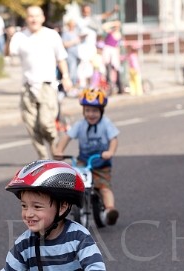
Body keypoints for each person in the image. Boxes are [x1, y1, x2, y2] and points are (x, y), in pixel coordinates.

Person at [9, 6, 72, 159]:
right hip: (28, 86)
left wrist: (66, 76)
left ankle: (55, 148)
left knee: (46, 123)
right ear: (26, 18)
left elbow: (61, 58)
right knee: (31, 126)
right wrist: (9, 37)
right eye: (30, 16)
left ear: (42, 18)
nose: (33, 19)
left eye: (37, 16)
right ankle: (43, 159)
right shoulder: (20, 36)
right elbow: (9, 53)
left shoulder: (51, 35)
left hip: (47, 85)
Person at [54, 88, 120, 225]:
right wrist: (59, 150)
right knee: (74, 183)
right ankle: (66, 207)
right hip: (83, 162)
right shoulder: (80, 125)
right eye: (88, 110)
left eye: (95, 111)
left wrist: (110, 152)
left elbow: (114, 139)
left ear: (101, 111)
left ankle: (109, 210)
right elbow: (67, 136)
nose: (91, 114)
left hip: (101, 162)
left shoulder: (105, 124)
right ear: (83, 111)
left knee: (104, 188)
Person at [62, 18, 81, 87]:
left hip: (77, 55)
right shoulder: (66, 34)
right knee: (72, 71)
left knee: (76, 71)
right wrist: (74, 42)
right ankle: (70, 86)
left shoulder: (76, 33)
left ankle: (75, 85)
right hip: (70, 55)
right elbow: (64, 44)